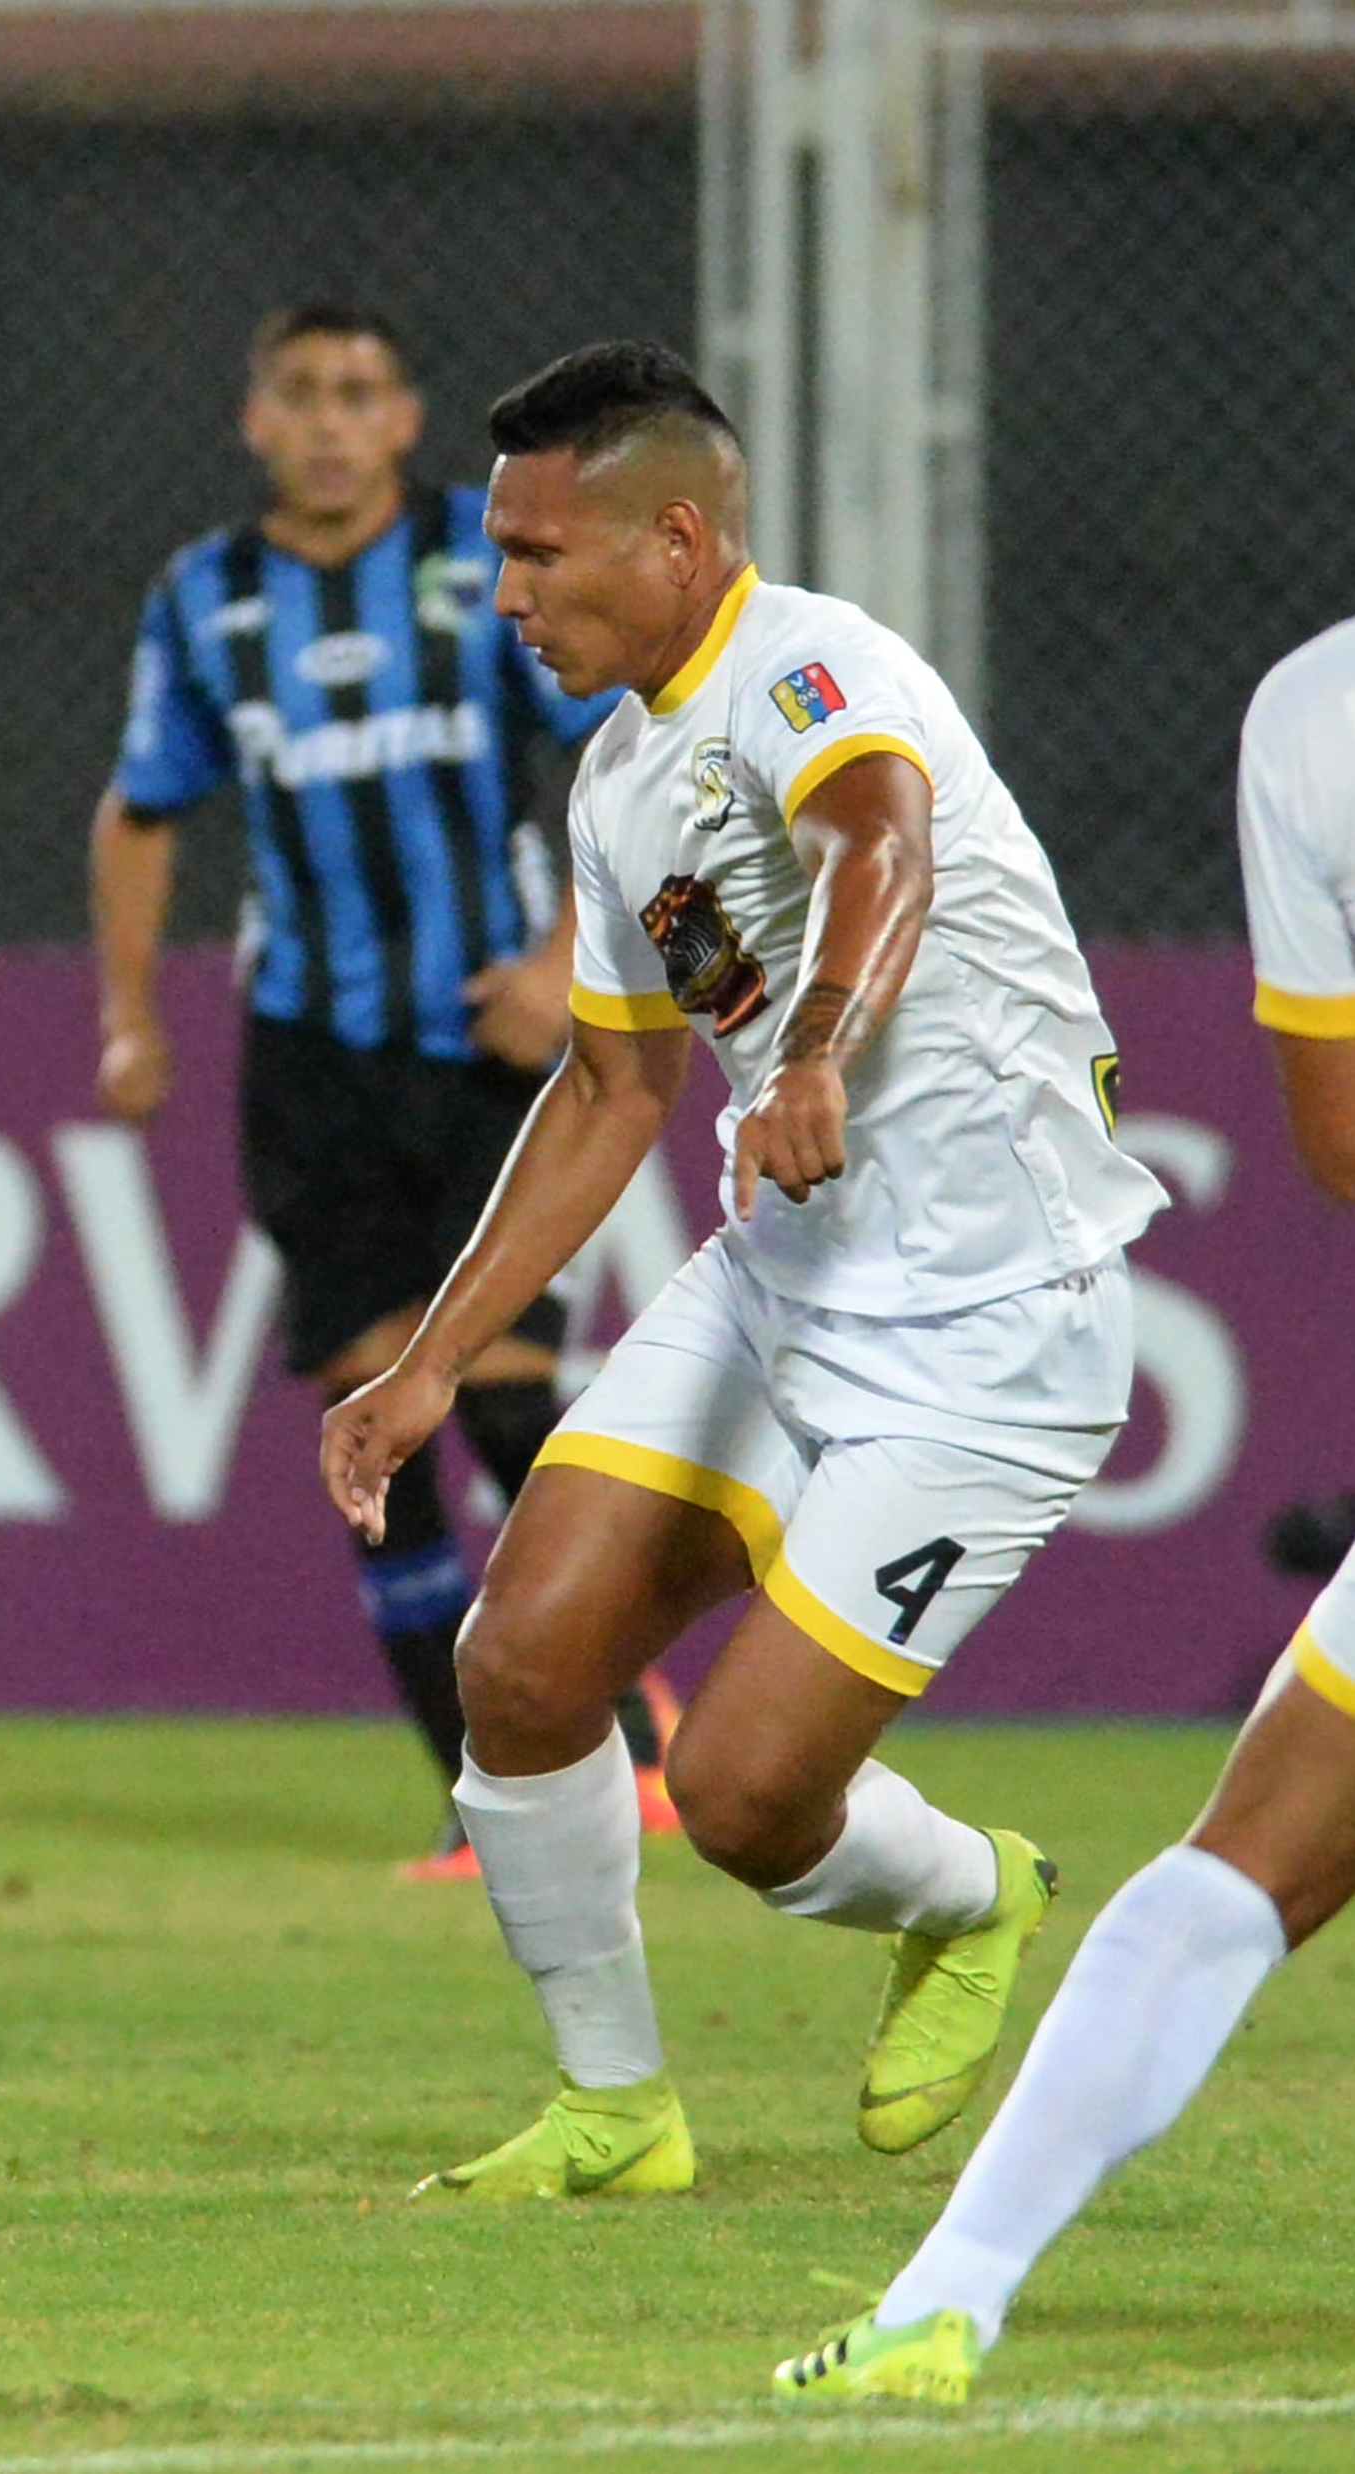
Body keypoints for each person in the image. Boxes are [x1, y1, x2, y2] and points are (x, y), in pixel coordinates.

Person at [321, 341, 1169, 2202]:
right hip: (782, 1287)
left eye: (541, 554)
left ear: (681, 535)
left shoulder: (814, 666)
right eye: (500, 555)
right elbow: (614, 1081)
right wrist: (432, 1362)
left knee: (746, 1801)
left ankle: (975, 1893)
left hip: (992, 1335)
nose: (510, 594)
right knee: (523, 1670)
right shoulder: (622, 782)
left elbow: (884, 841)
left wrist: (814, 1054)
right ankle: (617, 2110)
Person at [774, 611, 1355, 2401]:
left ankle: (950, 2298)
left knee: (1230, 1874)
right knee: (1243, 1855)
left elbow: (1337, 1138)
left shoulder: (1316, 710)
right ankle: (943, 2297)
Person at [90, 301, 675, 1876]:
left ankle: (622, 1722)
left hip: (481, 1039)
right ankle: (492, 1793)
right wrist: (128, 1019)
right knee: (378, 1409)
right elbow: (144, 809)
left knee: (497, 1390)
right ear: (256, 420)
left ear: (409, 417)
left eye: (359, 392)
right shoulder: (206, 601)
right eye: (302, 394)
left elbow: (628, 735)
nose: (333, 421)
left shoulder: (484, 571)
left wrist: (567, 951)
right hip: (314, 1056)